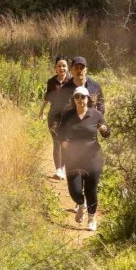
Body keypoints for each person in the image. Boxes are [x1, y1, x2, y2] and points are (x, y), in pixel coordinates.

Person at [56, 86, 110, 231]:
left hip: (94, 158)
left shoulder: (96, 115)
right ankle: (81, 204)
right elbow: (59, 132)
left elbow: (107, 133)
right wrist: (63, 142)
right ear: (74, 99)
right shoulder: (68, 115)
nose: (80, 99)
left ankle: (92, 218)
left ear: (88, 99)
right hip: (73, 158)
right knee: (75, 191)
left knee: (91, 189)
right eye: (77, 97)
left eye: (83, 97)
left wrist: (104, 130)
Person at [38, 55, 70, 179]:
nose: (61, 68)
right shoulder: (51, 82)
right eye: (59, 66)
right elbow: (47, 98)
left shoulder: (72, 81)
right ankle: (58, 170)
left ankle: (63, 168)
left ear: (67, 68)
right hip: (53, 117)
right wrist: (41, 112)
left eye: (64, 66)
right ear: (55, 68)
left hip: (68, 117)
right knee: (56, 141)